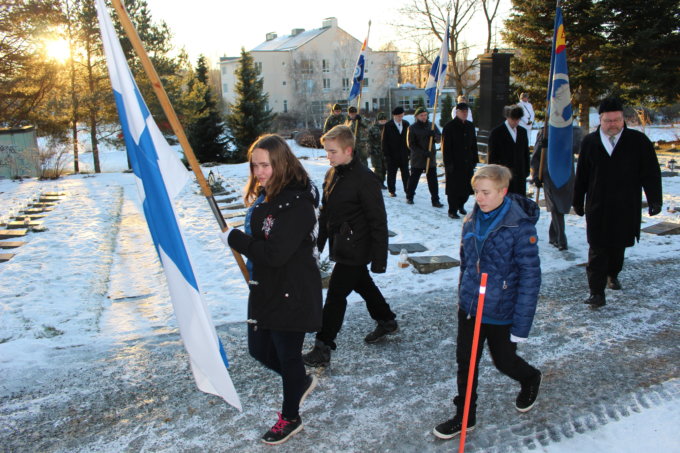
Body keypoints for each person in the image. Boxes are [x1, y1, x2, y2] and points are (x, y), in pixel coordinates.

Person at [224, 134, 322, 445]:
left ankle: (290, 417)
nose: (259, 172)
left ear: (281, 163)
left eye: (265, 165)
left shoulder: (298, 203)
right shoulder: (266, 196)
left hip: (292, 292)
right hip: (266, 287)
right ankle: (300, 381)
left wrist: (237, 240)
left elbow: (276, 254)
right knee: (259, 350)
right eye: (255, 166)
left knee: (287, 355)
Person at [433, 164, 542, 440]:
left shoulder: (519, 226)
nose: (479, 198)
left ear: (503, 192)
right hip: (471, 306)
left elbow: (530, 277)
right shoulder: (471, 220)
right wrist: (463, 296)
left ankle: (529, 378)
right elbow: (467, 262)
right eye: (476, 192)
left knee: (504, 361)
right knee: (466, 362)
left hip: (501, 309)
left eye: (486, 192)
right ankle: (465, 415)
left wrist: (521, 325)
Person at [303, 125, 398, 368]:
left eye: (332, 151)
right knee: (363, 285)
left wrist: (379, 259)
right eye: (327, 151)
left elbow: (378, 220)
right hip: (342, 244)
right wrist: (318, 244)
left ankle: (323, 346)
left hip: (357, 247)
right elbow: (326, 214)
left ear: (348, 150)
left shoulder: (365, 179)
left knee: (336, 294)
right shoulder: (332, 174)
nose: (328, 156)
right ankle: (386, 319)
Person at [573, 97, 662, 308]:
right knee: (597, 248)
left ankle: (613, 273)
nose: (612, 124)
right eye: (608, 121)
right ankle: (596, 292)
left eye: (617, 120)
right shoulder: (591, 142)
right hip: (598, 205)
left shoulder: (638, 142)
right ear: (600, 121)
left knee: (617, 248)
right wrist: (577, 200)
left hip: (625, 206)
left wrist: (655, 200)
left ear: (623, 119)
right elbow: (582, 175)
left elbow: (650, 173)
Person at [530, 126, 582, 251]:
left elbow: (579, 148)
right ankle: (561, 238)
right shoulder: (546, 131)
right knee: (555, 206)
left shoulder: (572, 130)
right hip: (550, 173)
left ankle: (553, 235)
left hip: (567, 174)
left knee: (562, 207)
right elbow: (537, 155)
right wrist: (536, 174)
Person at [441, 102, 479, 218]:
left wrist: (474, 159)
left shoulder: (470, 126)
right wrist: (448, 164)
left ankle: (461, 205)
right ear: (457, 112)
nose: (465, 114)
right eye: (462, 112)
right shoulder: (449, 127)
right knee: (454, 188)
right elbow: (445, 148)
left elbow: (473, 144)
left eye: (466, 112)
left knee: (467, 188)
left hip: (467, 162)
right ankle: (452, 210)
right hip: (454, 162)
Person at [487, 105, 531, 197]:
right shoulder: (497, 132)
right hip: (504, 173)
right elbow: (492, 155)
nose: (516, 122)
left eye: (518, 119)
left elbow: (525, 152)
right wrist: (494, 173)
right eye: (513, 119)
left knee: (519, 200)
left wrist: (526, 169)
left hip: (519, 173)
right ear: (507, 117)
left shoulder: (522, 132)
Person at [405, 106, 443, 207]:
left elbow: (439, 139)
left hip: (430, 158)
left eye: (425, 115)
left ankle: (435, 200)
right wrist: (422, 153)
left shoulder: (432, 125)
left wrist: (434, 136)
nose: (424, 117)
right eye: (421, 115)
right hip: (418, 158)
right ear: (417, 116)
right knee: (414, 178)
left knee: (433, 180)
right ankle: (410, 196)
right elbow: (411, 144)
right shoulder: (412, 128)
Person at [382, 106, 411, 198]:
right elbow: (384, 141)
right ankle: (392, 190)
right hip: (392, 154)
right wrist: (386, 155)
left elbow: (409, 139)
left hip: (403, 154)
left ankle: (408, 190)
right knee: (391, 174)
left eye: (401, 116)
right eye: (398, 116)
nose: (400, 118)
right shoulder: (388, 125)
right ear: (394, 116)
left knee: (406, 173)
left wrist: (409, 152)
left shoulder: (406, 124)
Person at [368, 111, 388, 186]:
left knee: (384, 168)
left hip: (385, 152)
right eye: (381, 120)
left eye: (384, 120)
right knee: (378, 168)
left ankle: (382, 181)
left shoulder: (389, 128)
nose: (383, 122)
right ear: (378, 120)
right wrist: (370, 150)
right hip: (375, 151)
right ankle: (378, 183)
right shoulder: (373, 129)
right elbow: (369, 140)